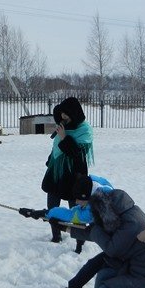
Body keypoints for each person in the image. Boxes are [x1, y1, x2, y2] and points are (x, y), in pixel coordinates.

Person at [41, 97, 93, 252]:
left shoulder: (84, 131)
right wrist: (50, 161)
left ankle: (79, 242)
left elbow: (77, 155)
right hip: (57, 173)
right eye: (62, 116)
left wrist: (65, 138)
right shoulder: (62, 128)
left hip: (74, 176)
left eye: (67, 116)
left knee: (76, 210)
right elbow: (56, 148)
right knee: (52, 206)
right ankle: (56, 236)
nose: (63, 119)